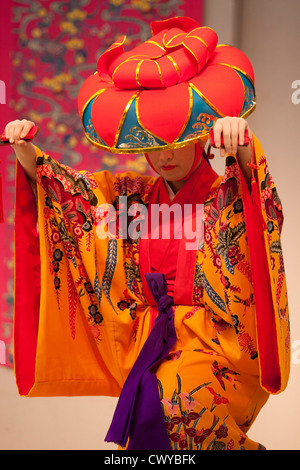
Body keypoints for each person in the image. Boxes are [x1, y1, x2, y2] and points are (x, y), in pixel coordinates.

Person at [7, 17, 290, 451]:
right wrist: (26, 151)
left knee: (180, 402)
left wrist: (243, 145)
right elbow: (70, 197)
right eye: (152, 145)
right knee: (147, 425)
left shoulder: (223, 196)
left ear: (199, 137)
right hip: (154, 344)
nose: (165, 155)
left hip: (220, 349)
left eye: (176, 141)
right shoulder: (130, 199)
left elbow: (259, 208)